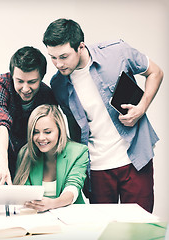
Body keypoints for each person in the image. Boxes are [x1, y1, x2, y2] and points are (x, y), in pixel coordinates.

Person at [43, 18, 164, 212]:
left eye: (63, 56)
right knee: (104, 231)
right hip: (96, 167)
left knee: (140, 230)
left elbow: (155, 72)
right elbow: (74, 129)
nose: (58, 64)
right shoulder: (58, 84)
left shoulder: (117, 52)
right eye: (53, 57)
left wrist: (142, 107)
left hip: (134, 158)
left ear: (80, 46)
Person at [0, 46, 57, 185]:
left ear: (41, 78)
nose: (25, 89)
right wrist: (2, 160)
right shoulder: (0, 83)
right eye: (19, 81)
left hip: (30, 159)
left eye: (32, 82)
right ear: (12, 75)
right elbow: (0, 123)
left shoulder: (47, 95)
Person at [13, 104, 88, 212]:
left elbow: (73, 188)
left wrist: (52, 203)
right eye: (35, 132)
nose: (41, 138)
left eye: (47, 132)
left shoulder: (78, 152)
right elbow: (24, 192)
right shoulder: (26, 153)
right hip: (37, 218)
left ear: (60, 130)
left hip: (71, 217)